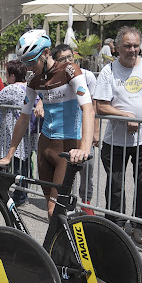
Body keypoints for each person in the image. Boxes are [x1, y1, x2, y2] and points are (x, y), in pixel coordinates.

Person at [0, 30, 93, 219]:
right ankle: (56, 248)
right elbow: (23, 118)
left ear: (46, 53)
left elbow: (88, 109)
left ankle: (73, 246)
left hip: (67, 147)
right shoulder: (34, 79)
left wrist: (84, 149)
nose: (29, 67)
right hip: (45, 146)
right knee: (52, 212)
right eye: (25, 62)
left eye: (32, 61)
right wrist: (9, 155)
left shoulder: (70, 70)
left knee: (54, 210)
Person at [95, 26, 142, 245]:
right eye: (127, 46)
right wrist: (123, 115)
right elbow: (100, 106)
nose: (132, 50)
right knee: (116, 184)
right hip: (116, 141)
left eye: (136, 45)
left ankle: (139, 226)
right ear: (117, 47)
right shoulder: (109, 71)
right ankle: (117, 225)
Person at [51, 44, 99, 215]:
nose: (68, 61)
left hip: (83, 134)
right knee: (66, 174)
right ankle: (67, 205)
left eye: (70, 57)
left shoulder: (88, 76)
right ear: (55, 61)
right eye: (62, 59)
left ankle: (86, 203)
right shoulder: (54, 79)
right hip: (67, 135)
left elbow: (92, 105)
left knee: (88, 172)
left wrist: (95, 132)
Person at [0, 60, 38, 206]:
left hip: (14, 132)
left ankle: (18, 196)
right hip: (29, 130)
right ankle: (23, 193)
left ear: (11, 76)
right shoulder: (29, 87)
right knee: (26, 163)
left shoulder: (12, 88)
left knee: (16, 164)